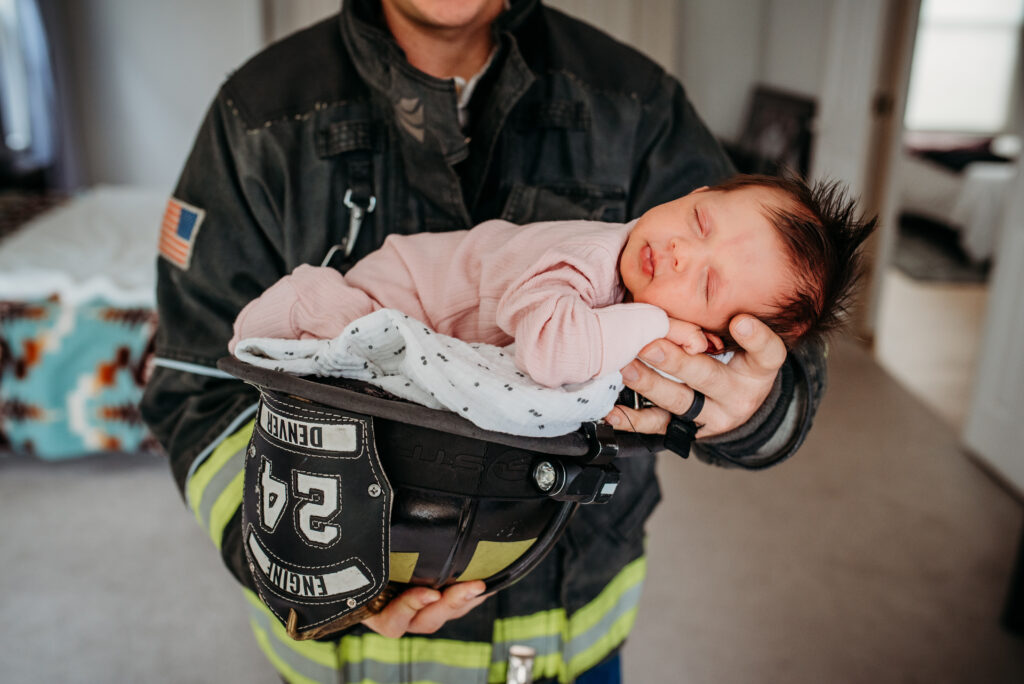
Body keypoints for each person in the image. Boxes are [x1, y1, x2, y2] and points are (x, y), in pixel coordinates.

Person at [140, 1, 830, 681]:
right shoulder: (259, 114)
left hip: (563, 633)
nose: (686, 255)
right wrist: (294, 557)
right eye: (698, 226)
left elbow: (784, 338)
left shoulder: (638, 105)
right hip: (346, 655)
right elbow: (192, 384)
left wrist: (749, 407)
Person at [230, 174, 872, 390]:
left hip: (435, 330)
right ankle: (302, 302)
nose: (679, 251)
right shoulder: (591, 259)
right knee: (339, 338)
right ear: (696, 192)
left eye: (706, 286)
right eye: (699, 221)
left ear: (718, 337)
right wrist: (660, 322)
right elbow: (548, 352)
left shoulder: (640, 291)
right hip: (390, 293)